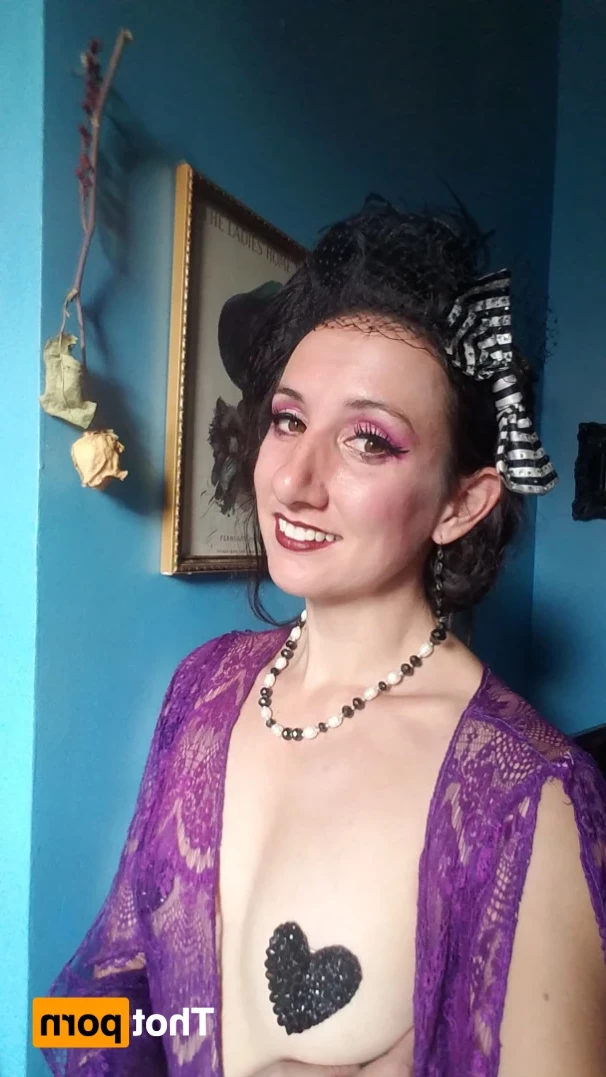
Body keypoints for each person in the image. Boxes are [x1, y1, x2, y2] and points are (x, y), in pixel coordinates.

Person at [41, 197, 606, 1077]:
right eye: (288, 420)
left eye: (368, 440)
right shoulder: (203, 689)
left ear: (463, 502)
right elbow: (100, 998)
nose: (293, 480)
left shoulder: (526, 801)